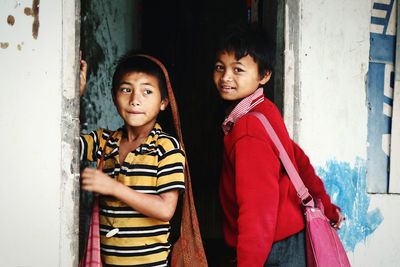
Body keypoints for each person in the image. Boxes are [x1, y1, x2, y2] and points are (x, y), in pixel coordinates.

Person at [213, 24, 345, 267]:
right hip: (290, 240)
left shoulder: (248, 129)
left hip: (272, 249)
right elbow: (298, 160)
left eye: (238, 69)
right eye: (220, 67)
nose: (225, 78)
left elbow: (257, 211)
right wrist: (326, 206)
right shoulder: (265, 111)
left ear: (264, 76)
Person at [79, 53, 185, 266]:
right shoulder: (104, 142)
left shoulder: (166, 147)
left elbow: (165, 210)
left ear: (163, 102)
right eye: (126, 89)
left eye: (147, 91)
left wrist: (114, 188)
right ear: (114, 96)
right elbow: (62, 147)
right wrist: (74, 96)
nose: (135, 99)